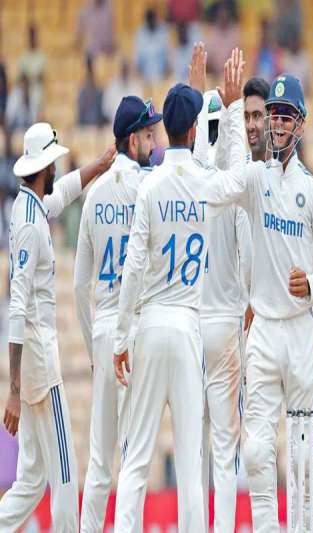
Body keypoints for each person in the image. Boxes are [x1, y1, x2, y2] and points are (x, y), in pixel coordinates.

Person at [111, 49, 248, 533]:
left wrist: (121, 338)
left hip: (150, 324)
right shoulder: (203, 182)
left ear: (166, 131)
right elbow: (238, 178)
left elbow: (133, 267)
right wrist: (232, 108)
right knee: (192, 463)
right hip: (188, 326)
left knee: (136, 458)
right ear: (193, 130)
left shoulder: (150, 185)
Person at [212, 69, 313, 532]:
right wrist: (228, 113)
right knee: (257, 451)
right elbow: (223, 184)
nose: (278, 124)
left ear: (300, 123)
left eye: (286, 116)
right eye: (274, 116)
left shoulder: (312, 192)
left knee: (304, 457)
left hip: (299, 332)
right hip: (262, 329)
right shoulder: (255, 179)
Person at [0, 122, 114, 532]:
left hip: (34, 353)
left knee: (32, 479)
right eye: (54, 164)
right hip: (39, 357)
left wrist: (99, 165)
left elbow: (62, 194)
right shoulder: (31, 224)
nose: (56, 169)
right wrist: (14, 390)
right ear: (44, 166)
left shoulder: (26, 206)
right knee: (65, 475)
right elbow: (17, 305)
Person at [74, 95, 162, 533]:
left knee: (99, 461)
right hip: (135, 331)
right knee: (133, 457)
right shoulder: (150, 188)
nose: (154, 142)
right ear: (131, 140)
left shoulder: (94, 196)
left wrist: (93, 347)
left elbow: (79, 287)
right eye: (148, 134)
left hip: (104, 327)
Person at [189, 55, 253, 532]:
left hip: (192, 324)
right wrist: (232, 111)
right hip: (227, 325)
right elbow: (240, 170)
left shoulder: (188, 181)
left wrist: (203, 102)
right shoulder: (230, 187)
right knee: (226, 447)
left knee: (194, 444)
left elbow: (199, 150)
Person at [134, 8, 170, 82]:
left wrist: (165, 77)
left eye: (153, 19)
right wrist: (140, 79)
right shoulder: (141, 34)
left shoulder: (163, 31)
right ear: (147, 21)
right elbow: (137, 61)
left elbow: (168, 57)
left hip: (161, 77)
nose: (152, 22)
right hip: (144, 78)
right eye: (150, 20)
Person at [103, 60, 143, 125]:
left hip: (132, 125)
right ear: (120, 70)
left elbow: (139, 110)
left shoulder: (136, 86)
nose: (124, 72)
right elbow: (106, 110)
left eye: (126, 69)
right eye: (123, 69)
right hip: (113, 124)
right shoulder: (112, 86)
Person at [78, 56, 105, 126]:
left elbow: (101, 114)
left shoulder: (99, 93)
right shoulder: (82, 93)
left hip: (97, 126)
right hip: (84, 127)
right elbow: (80, 116)